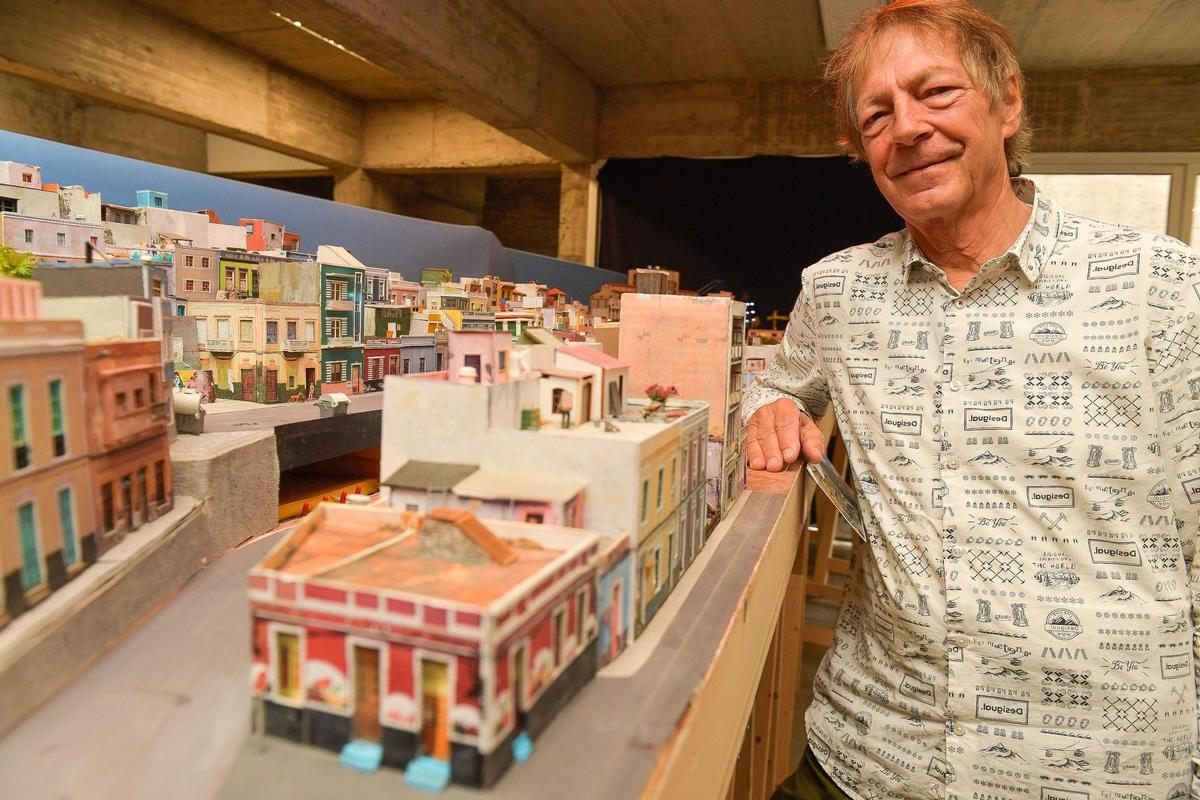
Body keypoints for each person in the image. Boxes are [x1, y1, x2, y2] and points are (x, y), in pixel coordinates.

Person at [742, 1, 1200, 798]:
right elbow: (775, 381)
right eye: (876, 114)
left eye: (936, 92)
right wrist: (766, 408)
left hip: (1099, 772)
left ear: (1007, 102)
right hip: (871, 753)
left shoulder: (1160, 286)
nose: (907, 128)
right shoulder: (838, 292)